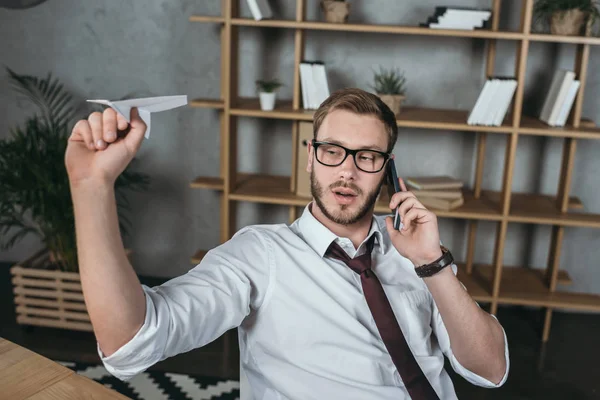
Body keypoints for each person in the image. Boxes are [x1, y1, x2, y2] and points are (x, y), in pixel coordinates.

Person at [65, 87, 509, 399]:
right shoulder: (261, 255)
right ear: (311, 156)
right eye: (332, 151)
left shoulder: (416, 252)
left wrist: (431, 262)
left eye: (367, 157)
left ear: (389, 171)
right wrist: (91, 188)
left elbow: (491, 371)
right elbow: (132, 342)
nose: (347, 172)